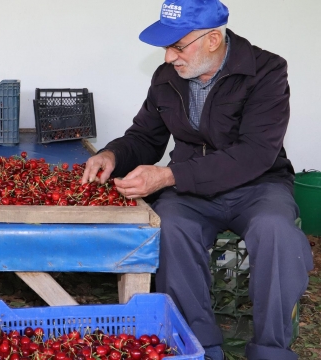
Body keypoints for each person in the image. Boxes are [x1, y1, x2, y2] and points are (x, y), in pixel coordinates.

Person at [81, 0, 313, 359]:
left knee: (276, 232)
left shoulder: (266, 70)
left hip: (257, 185)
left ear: (213, 39)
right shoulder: (167, 78)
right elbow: (145, 137)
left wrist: (169, 175)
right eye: (166, 47)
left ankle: (270, 348)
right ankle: (199, 345)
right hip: (189, 189)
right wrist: (112, 154)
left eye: (177, 46)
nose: (169, 58)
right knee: (170, 226)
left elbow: (253, 153)